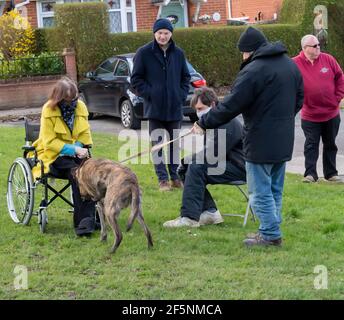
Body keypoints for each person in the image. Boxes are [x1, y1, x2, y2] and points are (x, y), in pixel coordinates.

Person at [192, 27, 304, 247]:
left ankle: (270, 234)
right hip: (284, 139)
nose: (242, 57)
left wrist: (204, 122)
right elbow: (299, 98)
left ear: (249, 51)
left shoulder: (254, 70)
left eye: (242, 53)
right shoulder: (291, 65)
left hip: (260, 140)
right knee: (275, 189)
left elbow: (231, 105)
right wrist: (282, 120)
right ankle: (271, 228)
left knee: (260, 190)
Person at [163, 87, 246, 228]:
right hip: (225, 163)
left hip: (240, 168)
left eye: (201, 108)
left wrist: (187, 160)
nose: (198, 113)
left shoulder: (227, 123)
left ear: (213, 104)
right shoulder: (214, 121)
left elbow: (212, 155)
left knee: (195, 166)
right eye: (196, 109)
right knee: (189, 167)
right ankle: (210, 212)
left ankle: (189, 218)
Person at [31, 77, 97, 237]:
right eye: (67, 100)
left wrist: (80, 148)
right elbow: (49, 142)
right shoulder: (48, 109)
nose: (72, 103)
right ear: (58, 98)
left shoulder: (80, 107)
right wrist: (72, 149)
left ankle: (90, 218)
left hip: (77, 152)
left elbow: (85, 133)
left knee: (89, 172)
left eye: (74, 98)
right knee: (76, 173)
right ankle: (83, 224)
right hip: (54, 156)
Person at [131, 18, 191, 192]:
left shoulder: (178, 53)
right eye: (160, 33)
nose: (163, 36)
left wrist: (180, 94)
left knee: (174, 145)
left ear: (171, 34)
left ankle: (175, 177)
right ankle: (162, 180)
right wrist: (151, 93)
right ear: (154, 34)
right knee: (157, 146)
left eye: (166, 33)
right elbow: (135, 79)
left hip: (174, 108)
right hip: (154, 109)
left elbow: (185, 78)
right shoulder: (143, 53)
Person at [293, 35, 344, 183]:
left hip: (331, 113)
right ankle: (310, 174)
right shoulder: (295, 63)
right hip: (310, 115)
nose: (318, 47)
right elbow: (288, 83)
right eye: (314, 46)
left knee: (330, 144)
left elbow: (340, 77)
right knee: (311, 144)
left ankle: (331, 174)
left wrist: (337, 97)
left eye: (318, 44)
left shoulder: (328, 59)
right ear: (305, 48)